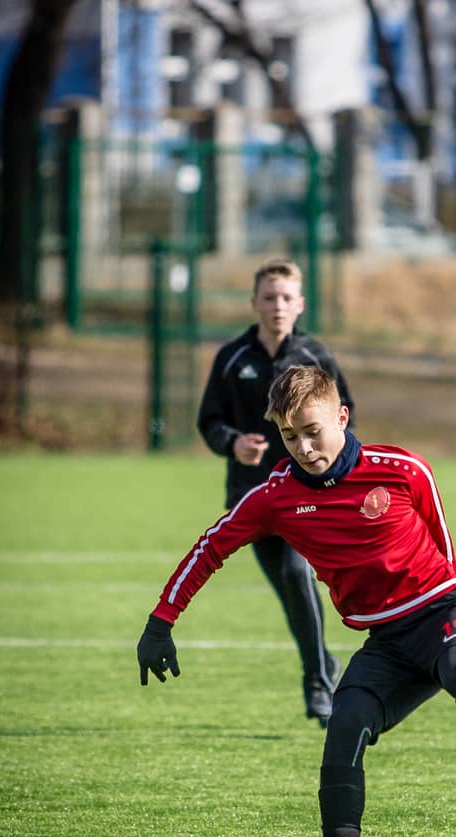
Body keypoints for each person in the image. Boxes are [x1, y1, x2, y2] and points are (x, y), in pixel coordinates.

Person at [138, 366, 456, 837]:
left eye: (313, 431)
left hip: (444, 610)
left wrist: (446, 608)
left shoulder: (402, 469)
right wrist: (161, 621)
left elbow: (445, 554)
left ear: (342, 417)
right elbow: (212, 546)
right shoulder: (276, 496)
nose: (304, 447)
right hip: (386, 641)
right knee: (344, 724)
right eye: (290, 437)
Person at [197, 257, 354, 725]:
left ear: (300, 303)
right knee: (290, 593)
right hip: (254, 496)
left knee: (295, 571)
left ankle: (318, 685)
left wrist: (335, 473)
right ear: (254, 303)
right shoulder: (232, 358)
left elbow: (344, 417)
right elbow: (209, 420)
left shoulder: (316, 356)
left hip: (307, 494)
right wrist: (233, 443)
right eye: (269, 297)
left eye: (286, 297)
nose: (278, 305)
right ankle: (324, 664)